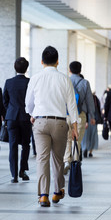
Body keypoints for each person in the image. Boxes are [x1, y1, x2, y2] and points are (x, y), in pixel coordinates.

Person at [25, 46, 78, 207]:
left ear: (42, 62)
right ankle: (57, 191)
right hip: (60, 123)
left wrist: (32, 115)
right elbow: (72, 104)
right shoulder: (64, 78)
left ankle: (43, 196)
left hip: (40, 122)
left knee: (42, 159)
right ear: (57, 62)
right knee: (58, 159)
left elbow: (28, 103)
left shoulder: (35, 78)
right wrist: (75, 127)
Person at [63, 61, 95, 174]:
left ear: (69, 70)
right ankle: (75, 162)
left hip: (66, 114)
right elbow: (90, 101)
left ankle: (66, 160)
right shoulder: (85, 83)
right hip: (80, 114)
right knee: (77, 140)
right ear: (80, 70)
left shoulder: (65, 80)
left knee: (67, 139)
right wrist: (92, 116)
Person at [3, 57, 32, 183]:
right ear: (27, 68)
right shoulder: (30, 82)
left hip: (12, 117)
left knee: (13, 146)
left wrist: (10, 111)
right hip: (26, 117)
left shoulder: (9, 82)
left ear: (15, 67)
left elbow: (4, 100)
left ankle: (14, 175)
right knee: (25, 145)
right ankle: (23, 170)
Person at [82, 92, 102, 158]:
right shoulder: (95, 98)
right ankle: (90, 151)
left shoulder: (83, 98)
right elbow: (99, 109)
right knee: (93, 135)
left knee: (85, 135)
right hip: (93, 118)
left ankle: (85, 148)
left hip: (85, 118)